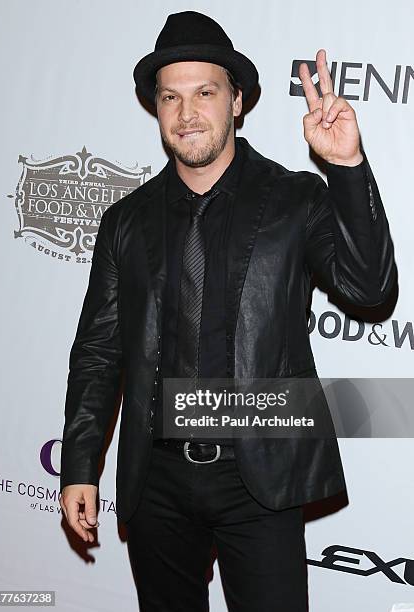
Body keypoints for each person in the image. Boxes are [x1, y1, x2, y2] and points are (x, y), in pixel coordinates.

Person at [59, 10, 397, 612]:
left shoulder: (295, 197)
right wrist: (80, 464)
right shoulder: (125, 222)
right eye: (171, 98)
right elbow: (98, 351)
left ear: (236, 101)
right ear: (156, 109)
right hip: (156, 480)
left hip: (258, 473)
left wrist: (346, 168)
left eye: (205, 93)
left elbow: (370, 289)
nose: (187, 114)